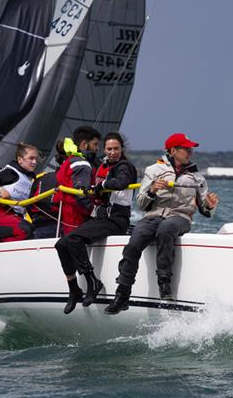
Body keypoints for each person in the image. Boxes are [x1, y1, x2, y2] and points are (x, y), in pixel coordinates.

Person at [105, 133, 219, 313]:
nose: (190, 152)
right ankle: (122, 294)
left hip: (180, 218)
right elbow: (141, 204)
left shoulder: (198, 178)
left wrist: (211, 205)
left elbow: (206, 211)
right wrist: (152, 190)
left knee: (166, 229)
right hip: (153, 215)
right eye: (186, 149)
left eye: (191, 149)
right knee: (136, 239)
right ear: (173, 151)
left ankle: (164, 283)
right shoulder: (153, 170)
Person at [55, 132, 137, 314]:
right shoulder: (103, 165)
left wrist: (100, 186)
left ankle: (92, 282)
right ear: (104, 149)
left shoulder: (125, 167)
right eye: (109, 149)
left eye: (116, 148)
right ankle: (74, 289)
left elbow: (122, 182)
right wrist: (89, 190)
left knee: (74, 239)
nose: (113, 152)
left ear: (122, 148)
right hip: (101, 217)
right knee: (61, 244)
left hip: (117, 220)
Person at [52, 126, 101, 236]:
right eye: (95, 144)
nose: (97, 148)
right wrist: (94, 210)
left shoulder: (69, 161)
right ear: (84, 145)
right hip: (77, 217)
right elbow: (81, 193)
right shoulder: (82, 164)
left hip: (67, 215)